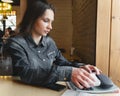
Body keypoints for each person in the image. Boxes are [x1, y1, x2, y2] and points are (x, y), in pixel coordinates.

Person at [5, 0, 101, 89]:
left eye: (51, 22)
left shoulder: (49, 42)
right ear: (32, 19)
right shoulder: (15, 44)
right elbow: (27, 73)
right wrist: (68, 73)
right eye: (46, 21)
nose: (50, 27)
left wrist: (80, 67)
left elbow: (62, 62)